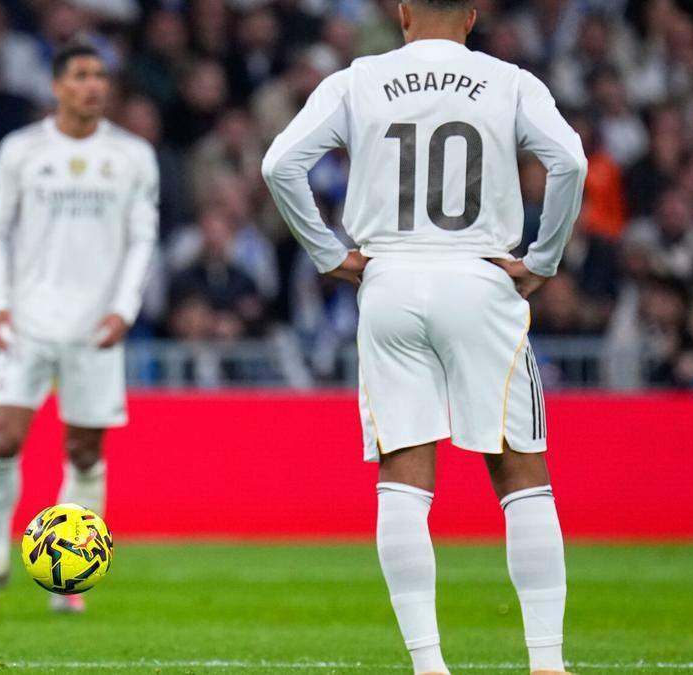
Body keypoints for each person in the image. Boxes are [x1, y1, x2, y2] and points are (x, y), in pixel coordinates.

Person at [261, 1, 587, 674]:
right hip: (480, 276)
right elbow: (571, 163)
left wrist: (328, 254)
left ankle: (429, 665)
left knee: (404, 480)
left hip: (390, 280)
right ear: (471, 17)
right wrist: (544, 259)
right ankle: (547, 663)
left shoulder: (357, 79)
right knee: (522, 476)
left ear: (404, 12)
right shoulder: (509, 81)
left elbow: (279, 165)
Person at [0, 43, 158, 615]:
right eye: (81, 75)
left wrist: (125, 308)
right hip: (30, 321)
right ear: (57, 85)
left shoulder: (133, 155)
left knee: (84, 452)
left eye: (100, 76)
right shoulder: (22, 150)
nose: (94, 85)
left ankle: (71, 578)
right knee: (3, 437)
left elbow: (143, 238)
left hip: (96, 326)